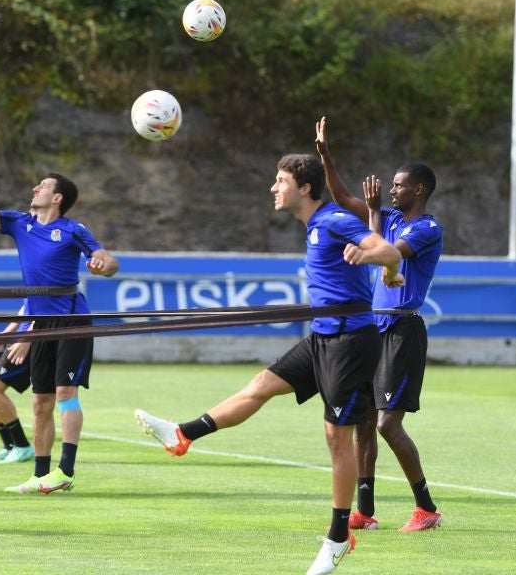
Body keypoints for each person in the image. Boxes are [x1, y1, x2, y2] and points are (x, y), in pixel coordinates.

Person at [134, 153, 404, 575]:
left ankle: (338, 538)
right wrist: (388, 273)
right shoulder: (315, 226)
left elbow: (387, 248)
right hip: (323, 336)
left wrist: (373, 260)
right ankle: (182, 434)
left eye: (280, 180)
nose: (273, 188)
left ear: (305, 188)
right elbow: (390, 263)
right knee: (261, 384)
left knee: (337, 436)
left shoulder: (333, 220)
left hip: (351, 342)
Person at [0, 139, 119, 494]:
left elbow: (109, 261)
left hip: (71, 322)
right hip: (39, 326)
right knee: (40, 402)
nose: (35, 187)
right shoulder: (19, 223)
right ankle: (40, 475)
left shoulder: (72, 230)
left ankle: (64, 472)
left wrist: (103, 266)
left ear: (57, 198)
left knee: (66, 393)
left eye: (43, 185)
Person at [315, 116, 443, 533]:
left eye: (400, 184)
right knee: (364, 422)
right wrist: (325, 157)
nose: (392, 189)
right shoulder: (385, 216)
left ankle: (426, 508)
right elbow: (342, 196)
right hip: (374, 328)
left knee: (389, 422)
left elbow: (390, 254)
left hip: (403, 330)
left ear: (419, 190)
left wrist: (369, 227)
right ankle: (365, 513)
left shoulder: (426, 227)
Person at [0, 300, 35, 464]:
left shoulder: (46, 277)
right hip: (18, 340)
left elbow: (45, 315)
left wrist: (26, 339)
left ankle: (22, 446)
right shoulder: (32, 279)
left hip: (27, 345)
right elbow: (25, 311)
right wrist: (6, 333)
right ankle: (10, 446)